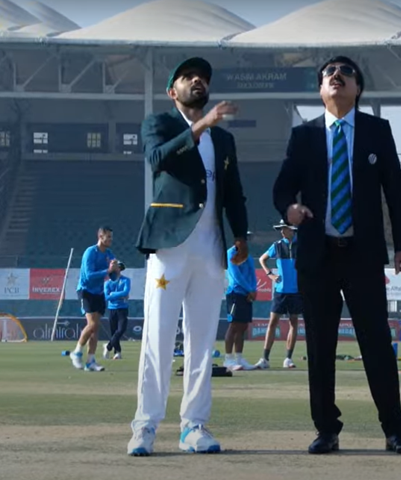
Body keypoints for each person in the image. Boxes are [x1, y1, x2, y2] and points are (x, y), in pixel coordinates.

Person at [273, 56, 401, 455]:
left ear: (358, 88)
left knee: (376, 345)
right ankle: (326, 429)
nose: (337, 77)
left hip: (363, 256)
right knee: (320, 348)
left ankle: (394, 429)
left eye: (346, 73)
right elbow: (282, 188)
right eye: (329, 74)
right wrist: (289, 210)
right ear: (320, 89)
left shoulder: (377, 131)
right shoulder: (303, 136)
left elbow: (396, 191)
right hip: (317, 258)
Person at [127, 56, 249, 457]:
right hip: (169, 247)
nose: (198, 81)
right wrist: (200, 126)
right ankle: (145, 426)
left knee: (201, 344)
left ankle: (194, 425)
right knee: (158, 339)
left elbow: (233, 192)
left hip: (211, 250)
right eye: (188, 77)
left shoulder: (225, 140)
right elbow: (158, 159)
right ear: (172, 90)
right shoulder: (158, 124)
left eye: (204, 77)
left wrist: (242, 236)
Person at [70, 226, 118, 372]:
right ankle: (76, 352)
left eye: (111, 237)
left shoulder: (109, 254)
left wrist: (115, 270)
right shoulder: (90, 252)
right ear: (100, 237)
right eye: (108, 237)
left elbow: (113, 278)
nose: (110, 239)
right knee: (91, 325)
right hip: (86, 290)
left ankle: (90, 361)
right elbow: (89, 275)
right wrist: (108, 270)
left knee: (96, 328)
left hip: (99, 292)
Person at [255, 219, 300, 370]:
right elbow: (262, 259)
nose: (281, 231)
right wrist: (270, 275)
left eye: (284, 228)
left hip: (296, 292)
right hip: (280, 291)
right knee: (272, 323)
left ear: (291, 229)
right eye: (281, 228)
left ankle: (288, 358)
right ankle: (265, 358)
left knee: (294, 323)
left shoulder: (301, 244)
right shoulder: (277, 245)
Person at [223, 239, 258, 371]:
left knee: (243, 326)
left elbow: (252, 274)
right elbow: (236, 276)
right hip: (235, 293)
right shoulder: (230, 254)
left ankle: (239, 358)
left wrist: (254, 290)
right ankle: (228, 359)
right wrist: (249, 289)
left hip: (247, 294)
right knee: (234, 325)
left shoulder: (247, 255)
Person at [103, 261, 131, 360]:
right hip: (112, 309)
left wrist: (112, 295)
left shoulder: (126, 280)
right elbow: (106, 297)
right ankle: (117, 352)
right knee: (114, 332)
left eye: (117, 267)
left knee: (121, 330)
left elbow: (126, 292)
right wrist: (119, 295)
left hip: (122, 308)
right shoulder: (107, 282)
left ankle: (108, 347)